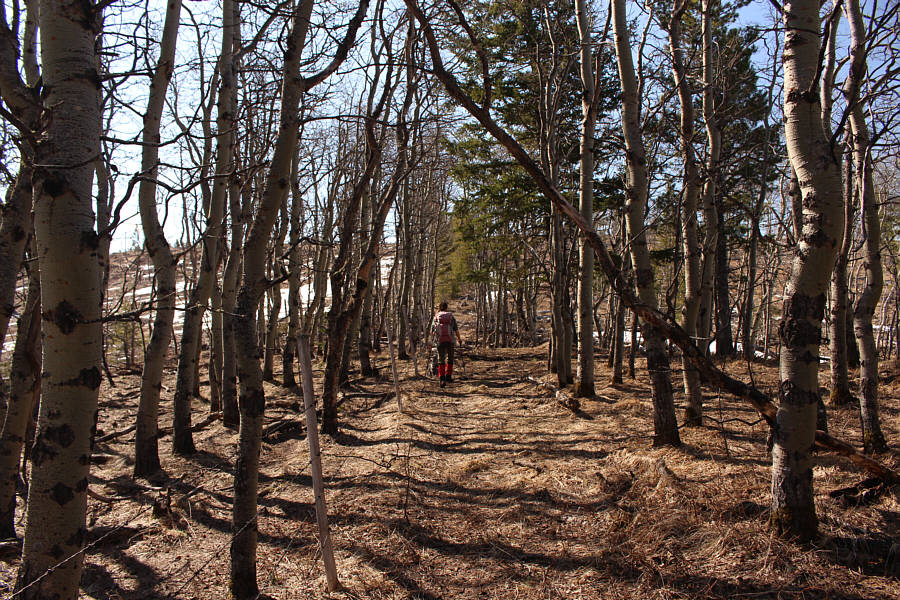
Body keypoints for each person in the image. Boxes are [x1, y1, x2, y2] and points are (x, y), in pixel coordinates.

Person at [432, 301, 462, 387]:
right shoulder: (450, 317)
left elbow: (432, 331)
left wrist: (434, 338)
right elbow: (456, 329)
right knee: (450, 357)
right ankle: (448, 376)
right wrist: (459, 339)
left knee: (441, 359)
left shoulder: (436, 317)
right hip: (450, 340)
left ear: (439, 307)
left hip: (440, 340)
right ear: (446, 307)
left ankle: (442, 378)